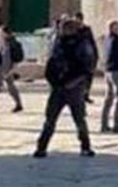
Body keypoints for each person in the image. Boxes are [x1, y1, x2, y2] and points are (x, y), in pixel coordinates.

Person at [34, 18, 98, 158]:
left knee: (79, 119)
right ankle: (41, 147)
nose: (63, 31)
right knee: (50, 119)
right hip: (57, 88)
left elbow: (87, 68)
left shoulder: (82, 44)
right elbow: (51, 63)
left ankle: (85, 146)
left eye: (66, 28)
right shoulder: (58, 43)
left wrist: (74, 83)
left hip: (75, 88)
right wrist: (53, 80)